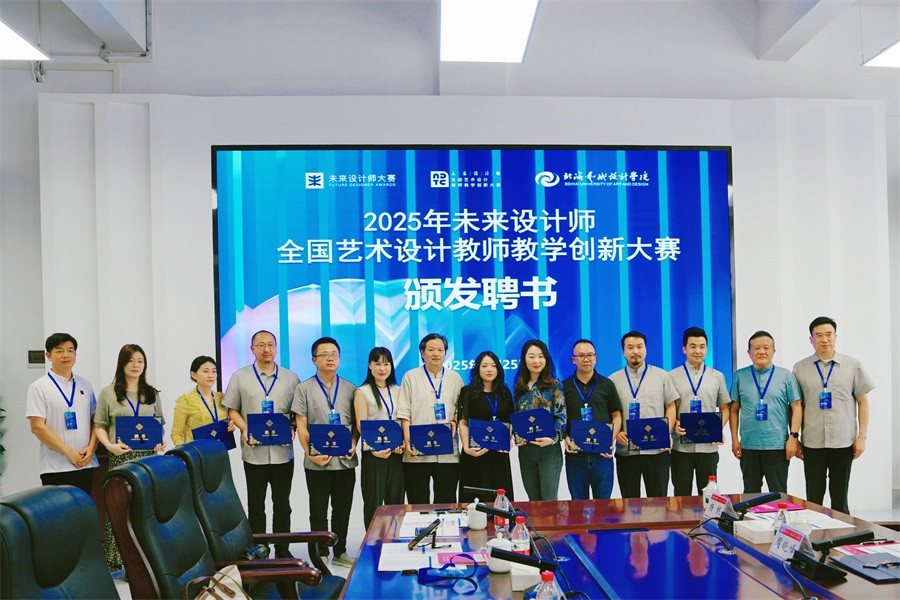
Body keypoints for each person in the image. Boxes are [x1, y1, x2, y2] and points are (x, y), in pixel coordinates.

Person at [223, 330, 300, 558]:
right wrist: (245, 428)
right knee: (256, 506)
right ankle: (259, 551)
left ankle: (283, 551)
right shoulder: (240, 377)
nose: (267, 349)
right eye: (261, 345)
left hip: (282, 453)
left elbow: (297, 413)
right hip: (253, 453)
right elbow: (232, 409)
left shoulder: (291, 378)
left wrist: (293, 427)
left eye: (271, 345)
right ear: (252, 349)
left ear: (276, 348)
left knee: (282, 504)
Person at [94, 343, 166, 572]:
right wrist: (109, 446)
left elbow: (159, 425)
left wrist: (160, 441)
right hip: (121, 457)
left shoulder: (152, 393)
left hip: (147, 459)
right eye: (131, 360)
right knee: (119, 508)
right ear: (122, 363)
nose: (136, 365)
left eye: (140, 361)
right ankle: (117, 561)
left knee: (144, 508)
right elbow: (99, 426)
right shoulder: (108, 392)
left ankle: (144, 561)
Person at [793, 316, 874, 514]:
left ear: (836, 337)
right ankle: (815, 533)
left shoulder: (852, 365)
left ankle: (842, 533)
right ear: (811, 339)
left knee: (840, 499)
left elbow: (863, 402)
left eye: (829, 334)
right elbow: (796, 406)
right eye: (819, 335)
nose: (824, 339)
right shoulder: (800, 368)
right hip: (812, 443)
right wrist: (794, 437)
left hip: (843, 442)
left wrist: (862, 437)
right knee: (814, 499)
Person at [294, 337, 358, 569]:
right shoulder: (303, 388)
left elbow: (357, 425)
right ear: (314, 360)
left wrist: (353, 445)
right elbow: (301, 425)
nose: (330, 358)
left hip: (344, 462)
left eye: (334, 354)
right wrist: (310, 453)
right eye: (324, 354)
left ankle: (340, 551)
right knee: (318, 510)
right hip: (317, 462)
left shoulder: (351, 389)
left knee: (342, 509)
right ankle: (320, 553)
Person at [25, 332, 98, 496]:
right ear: (48, 355)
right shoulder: (39, 387)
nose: (66, 355)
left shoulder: (85, 385)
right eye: (59, 351)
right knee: (59, 511)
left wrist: (91, 448)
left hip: (86, 464)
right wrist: (68, 452)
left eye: (70, 350)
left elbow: (96, 420)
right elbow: (37, 427)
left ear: (75, 354)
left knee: (84, 509)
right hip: (55, 467)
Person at [729, 331, 802, 494]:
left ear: (774, 351)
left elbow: (797, 406)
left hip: (777, 445)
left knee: (779, 494)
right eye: (756, 348)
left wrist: (793, 438)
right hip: (749, 446)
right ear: (749, 352)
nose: (761, 352)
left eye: (766, 348)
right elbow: (733, 410)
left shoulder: (786, 376)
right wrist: (734, 439)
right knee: (750, 494)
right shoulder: (740, 376)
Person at [396, 333, 464, 504]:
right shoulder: (410, 377)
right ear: (422, 353)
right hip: (417, 453)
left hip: (448, 453)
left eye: (440, 350)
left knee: (446, 503)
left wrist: (455, 420)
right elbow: (404, 413)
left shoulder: (455, 378)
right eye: (431, 349)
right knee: (418, 504)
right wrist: (408, 442)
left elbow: (461, 409)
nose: (436, 354)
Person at [610, 331, 678, 498]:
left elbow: (671, 406)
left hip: (657, 451)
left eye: (639, 347)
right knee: (629, 502)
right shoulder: (613, 380)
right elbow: (611, 414)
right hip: (627, 451)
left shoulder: (662, 376)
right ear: (623, 351)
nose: (635, 351)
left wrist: (666, 432)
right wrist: (617, 434)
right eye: (630, 347)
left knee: (658, 502)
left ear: (645, 349)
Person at [669, 327, 731, 496]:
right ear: (684, 349)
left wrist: (718, 428)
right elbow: (669, 408)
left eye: (702, 347)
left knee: (709, 496)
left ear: (707, 349)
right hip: (681, 448)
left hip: (708, 448)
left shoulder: (717, 376)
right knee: (681, 495)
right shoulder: (671, 376)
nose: (698, 351)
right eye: (693, 346)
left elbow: (725, 408)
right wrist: (674, 424)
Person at [562, 339, 621, 500]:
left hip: (602, 455)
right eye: (581, 355)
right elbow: (560, 418)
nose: (586, 359)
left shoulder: (607, 384)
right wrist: (565, 436)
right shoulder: (564, 386)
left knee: (603, 504)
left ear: (596, 358)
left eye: (590, 355)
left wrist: (610, 439)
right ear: (573, 360)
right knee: (578, 504)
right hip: (576, 455)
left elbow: (617, 416)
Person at [353, 347, 404, 530]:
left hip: (396, 454)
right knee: (374, 504)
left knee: (396, 503)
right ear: (370, 365)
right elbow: (361, 425)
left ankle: (394, 541)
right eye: (378, 364)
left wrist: (402, 444)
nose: (382, 368)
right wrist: (375, 449)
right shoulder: (362, 391)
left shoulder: (399, 390)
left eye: (386, 364)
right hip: (373, 455)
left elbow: (403, 420)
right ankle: (373, 543)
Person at [457, 351, 516, 504]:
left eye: (493, 366)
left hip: (498, 454)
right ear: (478, 369)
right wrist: (467, 447)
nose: (489, 369)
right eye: (484, 366)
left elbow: (510, 421)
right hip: (475, 453)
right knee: (473, 501)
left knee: (499, 500)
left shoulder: (504, 392)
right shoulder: (467, 392)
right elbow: (463, 422)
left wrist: (507, 440)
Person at [512, 339, 566, 501]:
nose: (536, 361)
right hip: (526, 451)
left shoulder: (555, 385)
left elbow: (562, 417)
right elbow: (516, 417)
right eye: (531, 356)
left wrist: (552, 439)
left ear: (546, 359)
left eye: (541, 356)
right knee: (533, 500)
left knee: (549, 500)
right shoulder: (519, 386)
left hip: (549, 450)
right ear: (524, 359)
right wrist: (516, 435)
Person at [171, 355, 234, 446]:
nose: (210, 375)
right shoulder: (186, 401)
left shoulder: (221, 398)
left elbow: (224, 424)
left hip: (219, 450)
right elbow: (176, 434)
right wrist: (185, 450)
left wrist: (230, 426)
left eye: (214, 371)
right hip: (196, 452)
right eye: (205, 371)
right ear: (193, 375)